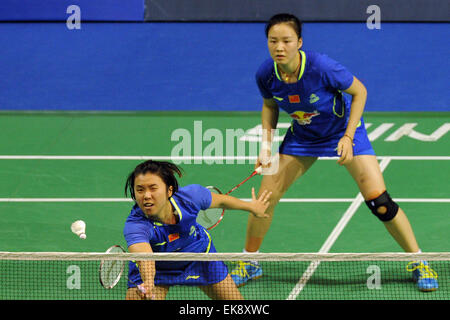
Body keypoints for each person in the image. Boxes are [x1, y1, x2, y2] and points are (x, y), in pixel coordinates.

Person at [230, 13, 438, 292]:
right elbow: (270, 106)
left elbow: (360, 91)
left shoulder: (321, 67)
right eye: (273, 41)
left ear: (299, 42)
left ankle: (419, 261)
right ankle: (249, 261)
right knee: (263, 202)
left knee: (380, 202)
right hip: (303, 137)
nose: (279, 47)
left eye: (286, 41)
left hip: (343, 132)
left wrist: (349, 136)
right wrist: (266, 145)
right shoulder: (266, 74)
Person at [123, 159, 272, 300]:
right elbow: (145, 258)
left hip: (199, 257)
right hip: (158, 268)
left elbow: (222, 201)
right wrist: (148, 283)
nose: (146, 196)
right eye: (140, 190)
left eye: (153, 188)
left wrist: (253, 207)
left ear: (169, 191)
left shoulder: (190, 197)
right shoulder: (135, 225)